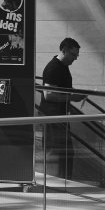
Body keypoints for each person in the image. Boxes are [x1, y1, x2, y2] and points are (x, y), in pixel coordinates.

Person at [39, 38, 86, 179]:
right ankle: (60, 183)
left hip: (58, 116)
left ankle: (62, 182)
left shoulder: (63, 67)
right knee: (60, 152)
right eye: (73, 55)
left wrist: (76, 93)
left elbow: (63, 88)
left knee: (64, 152)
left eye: (77, 55)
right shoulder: (53, 68)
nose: (75, 59)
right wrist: (72, 98)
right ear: (64, 50)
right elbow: (49, 95)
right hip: (52, 117)